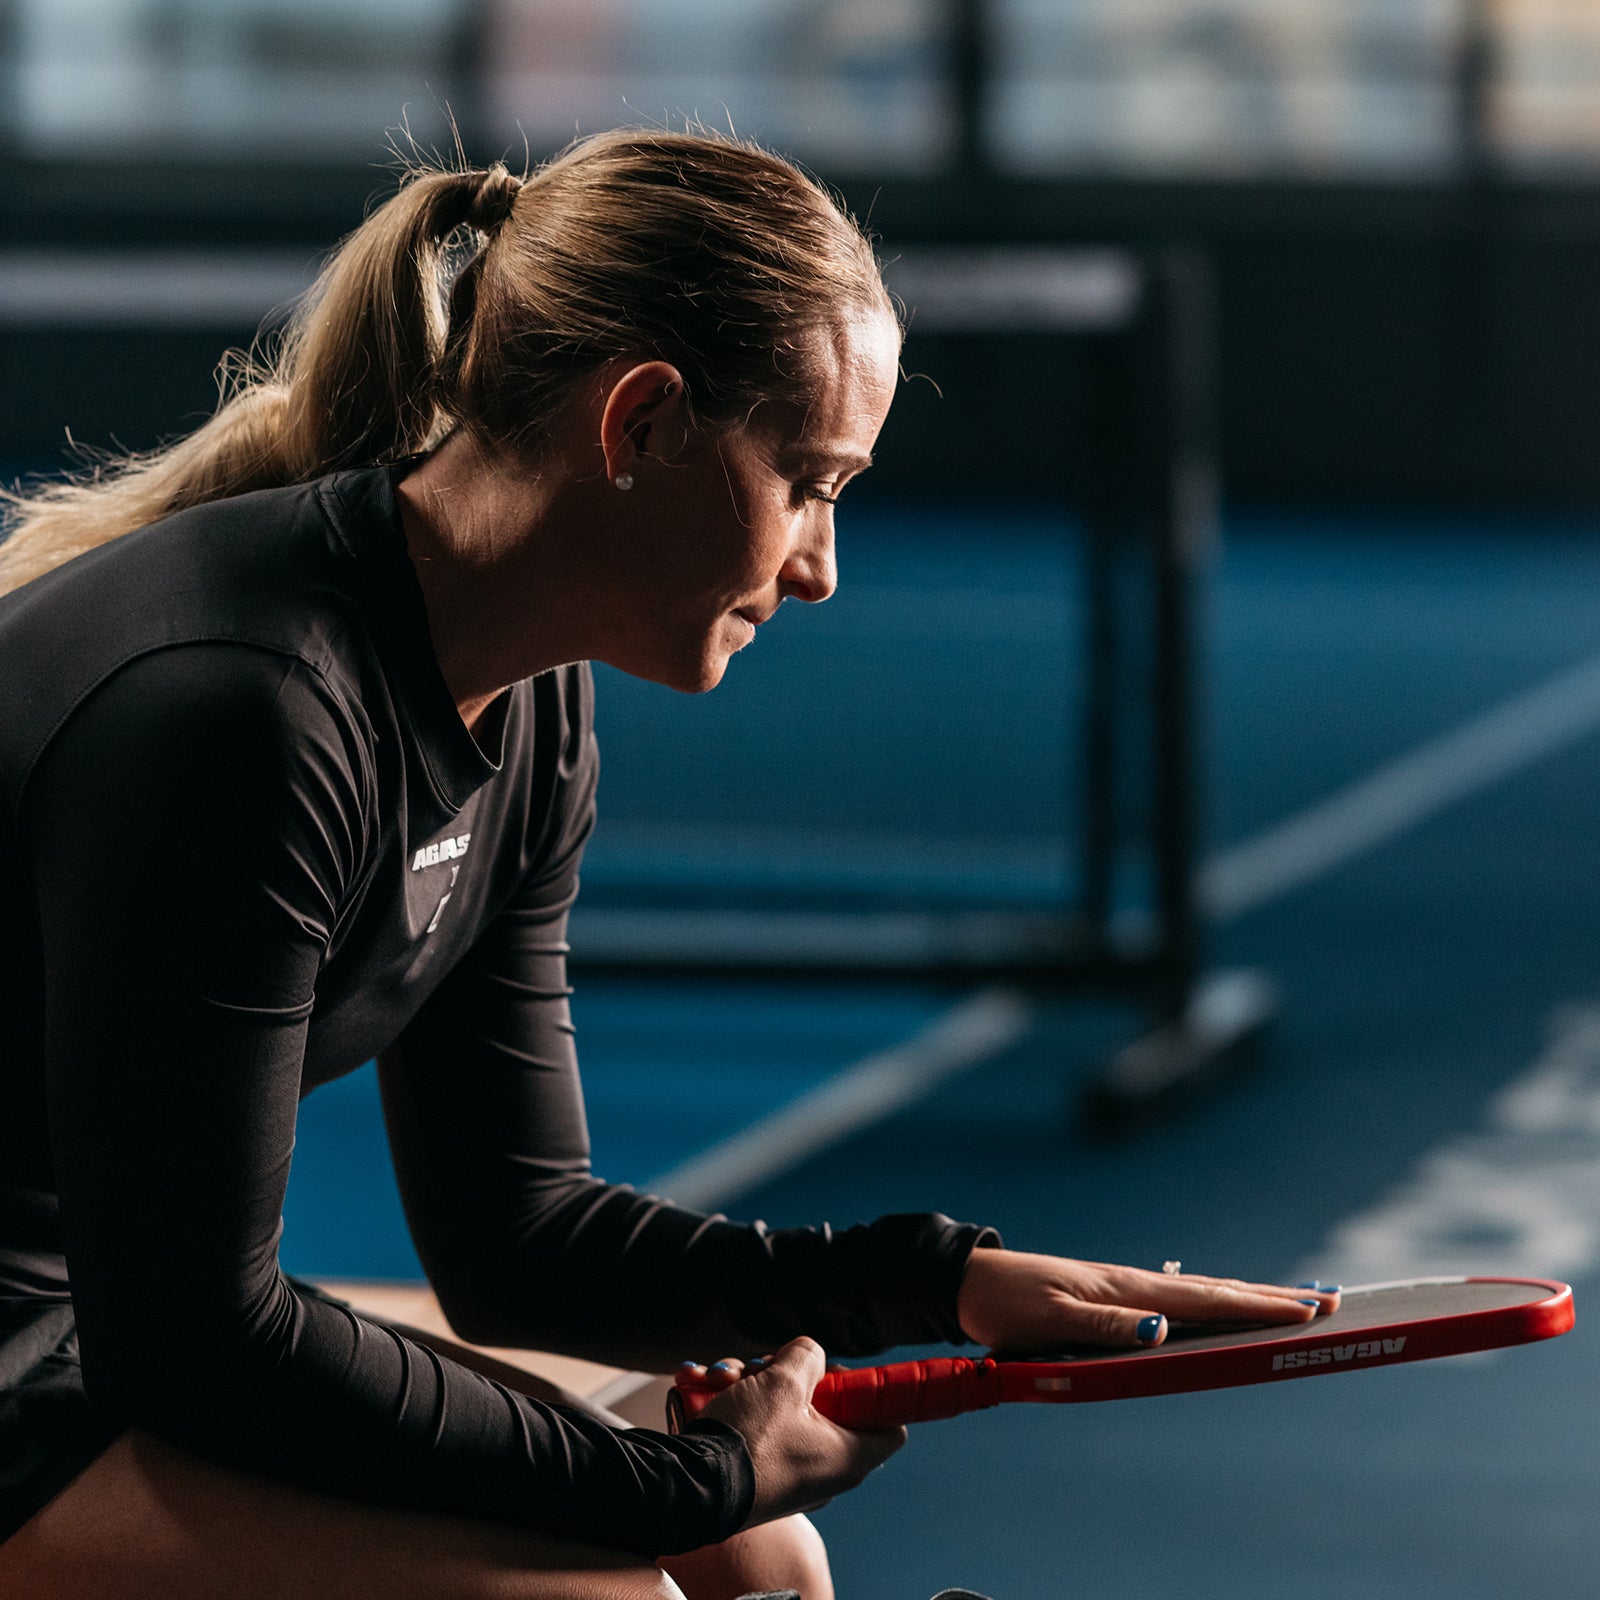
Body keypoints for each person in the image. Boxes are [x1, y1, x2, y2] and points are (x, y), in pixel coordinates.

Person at [0, 129, 1336, 1600]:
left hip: (103, 1320)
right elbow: (195, 1342)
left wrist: (938, 1280)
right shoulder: (245, 715)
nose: (824, 565)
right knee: (630, 1587)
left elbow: (522, 1241)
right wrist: (678, 1480)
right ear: (638, 424)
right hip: (71, 1354)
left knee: (760, 1559)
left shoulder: (527, 699)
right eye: (812, 482)